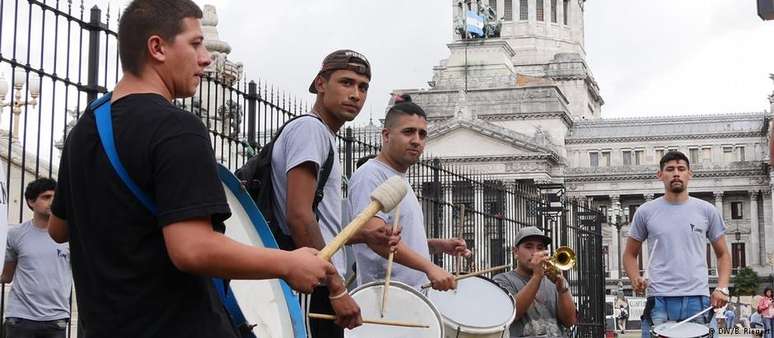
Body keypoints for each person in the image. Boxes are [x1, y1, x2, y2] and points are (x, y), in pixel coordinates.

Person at [48, 1, 334, 337]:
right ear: (157, 47)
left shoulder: (85, 130)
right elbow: (192, 248)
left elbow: (59, 228)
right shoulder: (177, 128)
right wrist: (287, 263)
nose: (206, 59)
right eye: (195, 44)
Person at [270, 49, 401, 337]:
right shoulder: (310, 130)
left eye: (363, 87)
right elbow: (299, 216)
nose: (356, 94)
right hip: (313, 283)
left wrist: (364, 235)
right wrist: (336, 287)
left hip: (318, 278)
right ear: (320, 84)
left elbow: (319, 224)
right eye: (346, 82)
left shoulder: (323, 136)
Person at [347, 100, 470, 291]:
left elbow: (398, 241)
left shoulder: (400, 179)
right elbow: (377, 240)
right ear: (386, 135)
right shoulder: (370, 174)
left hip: (410, 296)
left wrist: (437, 245)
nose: (416, 140)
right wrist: (430, 267)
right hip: (386, 298)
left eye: (422, 134)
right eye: (408, 132)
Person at [623, 151, 731, 338]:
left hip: (698, 298)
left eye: (681, 169)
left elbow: (723, 254)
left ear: (690, 174)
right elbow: (630, 254)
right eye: (670, 169)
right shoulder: (645, 212)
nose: (676, 173)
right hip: (659, 298)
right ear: (660, 175)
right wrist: (634, 278)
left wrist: (722, 288)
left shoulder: (707, 210)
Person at [2, 178, 71, 337]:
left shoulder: (70, 234)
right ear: (31, 201)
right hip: (20, 317)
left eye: (55, 196)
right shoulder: (15, 233)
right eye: (46, 197)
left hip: (56, 317)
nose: (52, 201)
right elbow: (6, 275)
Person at [493, 226, 577, 337]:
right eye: (529, 247)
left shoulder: (553, 281)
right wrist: (537, 276)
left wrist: (563, 290)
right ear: (515, 252)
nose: (535, 253)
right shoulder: (502, 280)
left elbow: (569, 322)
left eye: (540, 248)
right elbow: (513, 313)